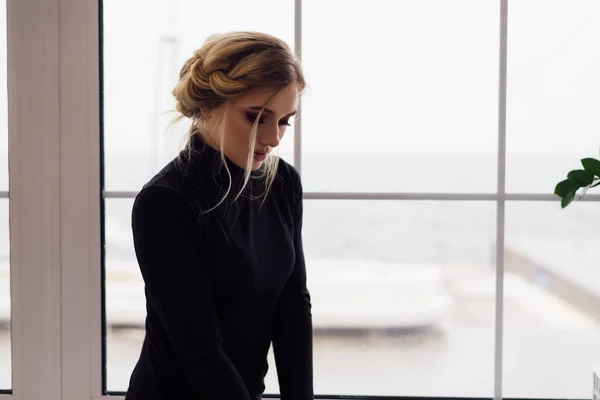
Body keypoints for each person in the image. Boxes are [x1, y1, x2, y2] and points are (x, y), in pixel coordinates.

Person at [124, 31, 313, 400]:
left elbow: (293, 308)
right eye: (258, 117)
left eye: (285, 121)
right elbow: (201, 352)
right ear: (209, 106)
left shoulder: (283, 183)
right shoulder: (164, 202)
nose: (274, 138)